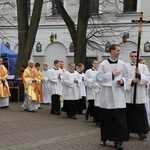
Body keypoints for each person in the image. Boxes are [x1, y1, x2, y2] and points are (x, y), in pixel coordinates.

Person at [96, 44, 129, 150]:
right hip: (107, 96)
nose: (119, 52)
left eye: (119, 50)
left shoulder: (123, 64)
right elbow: (99, 78)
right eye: (117, 50)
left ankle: (118, 141)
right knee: (106, 120)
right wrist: (111, 75)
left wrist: (122, 81)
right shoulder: (103, 64)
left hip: (119, 96)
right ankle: (104, 138)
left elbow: (127, 77)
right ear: (111, 51)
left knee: (119, 121)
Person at [125, 51, 150, 140]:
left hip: (139, 94)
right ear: (130, 57)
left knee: (140, 115)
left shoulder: (143, 67)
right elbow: (124, 78)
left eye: (135, 56)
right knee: (128, 114)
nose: (134, 58)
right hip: (129, 94)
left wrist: (140, 75)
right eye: (132, 56)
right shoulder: (126, 66)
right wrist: (132, 81)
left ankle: (141, 132)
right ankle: (127, 131)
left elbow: (147, 79)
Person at [84, 59, 100, 124]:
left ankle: (94, 118)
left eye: (97, 63)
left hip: (98, 90)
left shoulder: (99, 71)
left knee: (96, 105)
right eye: (95, 63)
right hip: (91, 89)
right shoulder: (88, 71)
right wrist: (91, 83)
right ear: (92, 64)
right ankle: (87, 112)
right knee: (91, 103)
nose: (96, 64)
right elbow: (86, 80)